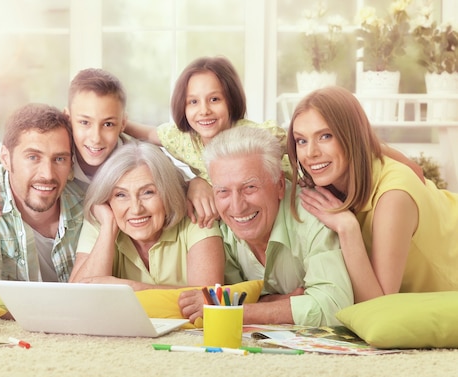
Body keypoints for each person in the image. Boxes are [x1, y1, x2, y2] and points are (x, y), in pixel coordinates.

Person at [288, 85, 458, 303]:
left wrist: (347, 227)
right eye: (301, 140)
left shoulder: (393, 196)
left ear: (352, 136)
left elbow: (378, 307)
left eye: (326, 136)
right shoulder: (328, 182)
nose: (310, 153)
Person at [178, 125, 354, 327]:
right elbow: (221, 293)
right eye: (223, 191)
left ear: (279, 185)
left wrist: (234, 311)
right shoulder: (217, 225)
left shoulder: (315, 216)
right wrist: (276, 303)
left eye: (250, 187)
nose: (237, 206)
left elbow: (334, 308)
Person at [125, 56, 286, 229]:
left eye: (214, 99)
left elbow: (294, 143)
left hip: (282, 201)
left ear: (231, 101)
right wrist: (117, 122)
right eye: (193, 102)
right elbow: (149, 134)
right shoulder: (183, 138)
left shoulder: (251, 136)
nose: (204, 111)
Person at [0, 68, 130, 217]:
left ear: (122, 123)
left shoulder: (134, 159)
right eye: (85, 122)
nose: (95, 138)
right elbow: (7, 156)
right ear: (68, 118)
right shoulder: (58, 146)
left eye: (108, 124)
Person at [0, 103, 84, 290]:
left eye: (59, 159)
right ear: (5, 158)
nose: (48, 174)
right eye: (33, 157)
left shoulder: (85, 204)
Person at [69, 141, 225, 290]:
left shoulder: (196, 216)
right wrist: (108, 228)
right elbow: (78, 300)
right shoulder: (103, 220)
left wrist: (131, 289)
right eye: (121, 195)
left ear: (168, 193)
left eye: (148, 192)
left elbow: (207, 299)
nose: (136, 209)